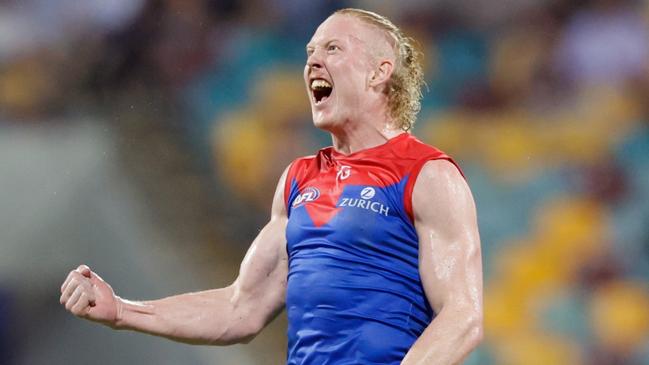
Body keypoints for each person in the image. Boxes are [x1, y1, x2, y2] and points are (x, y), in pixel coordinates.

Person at [60, 8, 483, 364]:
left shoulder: (428, 175)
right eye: (310, 51)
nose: (313, 62)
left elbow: (462, 314)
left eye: (333, 48)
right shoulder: (299, 179)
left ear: (379, 71)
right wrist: (124, 311)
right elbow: (240, 307)